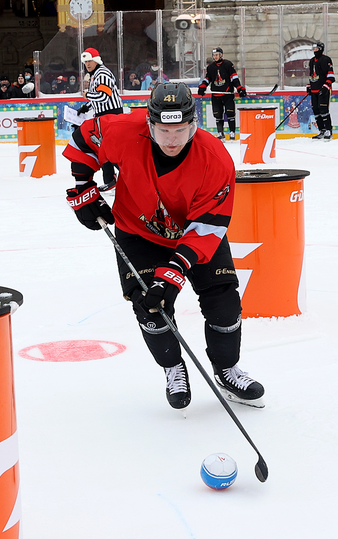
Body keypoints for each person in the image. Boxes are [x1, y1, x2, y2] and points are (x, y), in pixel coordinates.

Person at [63, 81, 264, 410]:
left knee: (224, 302)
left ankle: (227, 369)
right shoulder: (125, 131)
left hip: (194, 235)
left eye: (181, 130)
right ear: (149, 123)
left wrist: (173, 273)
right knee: (150, 307)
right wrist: (82, 189)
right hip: (138, 232)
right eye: (163, 130)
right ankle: (173, 369)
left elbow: (208, 225)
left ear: (193, 125)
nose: (172, 140)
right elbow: (85, 139)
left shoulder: (215, 159)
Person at [76, 47, 123, 192]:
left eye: (89, 61)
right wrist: (87, 106)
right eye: (85, 62)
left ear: (96, 60)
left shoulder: (103, 74)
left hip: (111, 115)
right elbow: (98, 96)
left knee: (108, 149)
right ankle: (110, 180)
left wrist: (87, 95)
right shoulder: (96, 75)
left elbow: (104, 97)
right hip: (104, 115)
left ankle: (126, 174)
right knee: (102, 149)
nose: (87, 64)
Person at [197, 48, 246, 141]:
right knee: (217, 114)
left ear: (221, 55)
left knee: (230, 113)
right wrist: (203, 86)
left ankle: (232, 133)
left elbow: (234, 77)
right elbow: (208, 78)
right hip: (216, 94)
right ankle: (220, 133)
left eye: (217, 54)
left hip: (227, 93)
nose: (215, 57)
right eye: (214, 55)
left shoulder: (228, 64)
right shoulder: (210, 67)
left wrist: (239, 88)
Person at [306, 41, 335, 140]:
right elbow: (311, 74)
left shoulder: (326, 59)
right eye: (313, 49)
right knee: (316, 111)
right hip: (314, 90)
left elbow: (331, 76)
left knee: (323, 110)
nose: (315, 51)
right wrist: (309, 86)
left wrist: (326, 86)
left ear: (321, 49)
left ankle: (328, 130)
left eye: (316, 49)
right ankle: (322, 130)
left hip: (324, 89)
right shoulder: (311, 61)